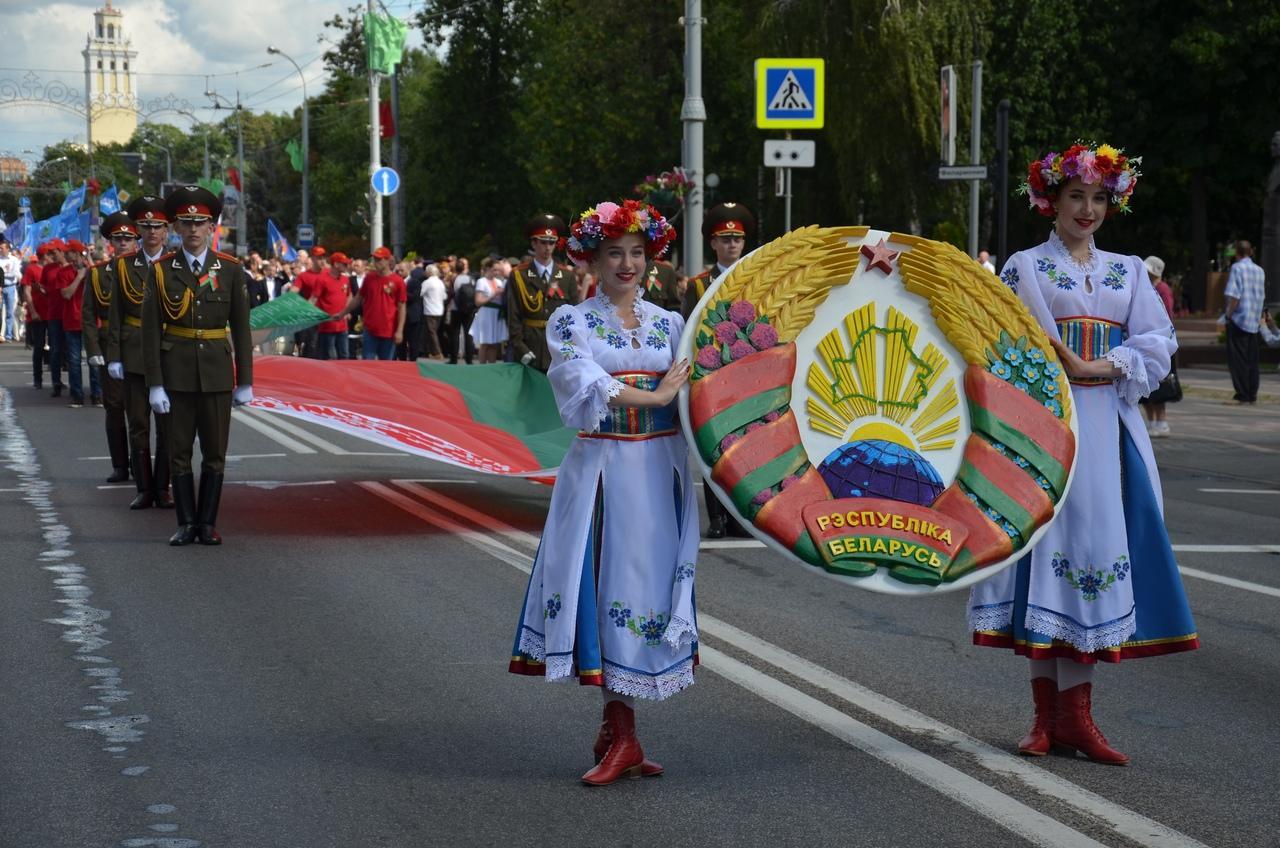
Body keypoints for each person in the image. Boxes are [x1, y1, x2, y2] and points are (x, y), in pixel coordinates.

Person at [969, 142, 1198, 765]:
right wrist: (1052, 372)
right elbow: (1003, 339)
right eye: (1077, 196)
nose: (1088, 209)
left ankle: (1077, 718)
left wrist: (1100, 364)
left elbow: (1156, 343)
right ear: (1052, 199)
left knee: (1092, 555)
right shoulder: (1026, 267)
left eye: (1099, 198)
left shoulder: (1128, 271)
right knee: (1044, 553)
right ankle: (1048, 719)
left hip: (1107, 432)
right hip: (1045, 430)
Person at [508, 199, 694, 786]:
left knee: (647, 593)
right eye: (615, 252)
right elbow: (586, 385)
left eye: (637, 253)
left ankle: (620, 731)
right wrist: (659, 396)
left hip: (659, 473)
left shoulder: (670, 323)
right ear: (591, 258)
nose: (627, 264)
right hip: (603, 474)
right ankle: (624, 731)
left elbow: (703, 391)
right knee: (610, 585)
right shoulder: (571, 321)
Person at [140, 186, 253, 546]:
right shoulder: (161, 271)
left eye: (200, 222)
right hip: (177, 374)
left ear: (211, 227)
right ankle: (186, 523)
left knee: (215, 454)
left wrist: (245, 380)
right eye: (185, 222)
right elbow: (148, 332)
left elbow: (241, 329)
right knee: (179, 452)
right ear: (175, 227)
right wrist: (155, 383)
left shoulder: (231, 270)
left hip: (218, 374)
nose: (192, 229)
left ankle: (208, 524)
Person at [683, 202, 756, 539]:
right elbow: (688, 333)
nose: (732, 245)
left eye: (737, 239)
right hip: (712, 379)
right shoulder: (699, 286)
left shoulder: (755, 281)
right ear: (712, 244)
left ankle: (742, 517)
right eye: (724, 239)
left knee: (745, 447)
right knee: (715, 447)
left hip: (748, 377)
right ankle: (716, 517)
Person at [108, 195, 175, 510]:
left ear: (166, 231)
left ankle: (163, 487)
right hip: (134, 352)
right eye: (146, 226)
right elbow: (115, 314)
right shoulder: (123, 265)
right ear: (138, 229)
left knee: (168, 427)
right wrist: (114, 356)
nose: (151, 232)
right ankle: (144, 488)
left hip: (168, 352)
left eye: (157, 227)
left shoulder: (175, 263)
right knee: (138, 424)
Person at [85, 212, 137, 483]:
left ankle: (139, 462)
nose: (124, 243)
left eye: (129, 238)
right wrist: (93, 350)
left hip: (140, 346)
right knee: (115, 406)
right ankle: (120, 464)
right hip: (108, 348)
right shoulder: (97, 274)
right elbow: (88, 314)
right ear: (111, 243)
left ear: (136, 241)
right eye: (119, 238)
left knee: (140, 409)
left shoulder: (149, 269)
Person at [506, 213, 576, 371]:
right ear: (533, 243)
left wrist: (571, 346)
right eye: (543, 242)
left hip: (558, 347)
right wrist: (519, 347)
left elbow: (574, 314)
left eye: (552, 243)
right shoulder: (519, 275)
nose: (548, 248)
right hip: (530, 344)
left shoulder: (566, 275)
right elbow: (513, 315)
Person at [334, 246, 405, 360]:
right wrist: (342, 313)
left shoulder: (398, 281)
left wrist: (400, 331)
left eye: (379, 260)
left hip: (389, 331)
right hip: (370, 330)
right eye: (375, 259)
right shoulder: (369, 278)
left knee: (385, 367)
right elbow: (358, 298)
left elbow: (402, 307)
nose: (376, 262)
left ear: (387, 260)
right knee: (368, 366)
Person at [1138, 256, 1179, 437]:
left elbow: (1166, 315)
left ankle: (1161, 422)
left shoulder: (1162, 289)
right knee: (1146, 385)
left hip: (1160, 342)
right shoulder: (1147, 288)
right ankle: (1152, 422)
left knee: (1160, 385)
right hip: (1147, 340)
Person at [1222, 240, 1266, 404]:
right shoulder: (1259, 270)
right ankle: (1252, 393)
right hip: (1254, 320)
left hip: (1239, 319)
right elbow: (1261, 295)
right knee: (1252, 360)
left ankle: (1241, 394)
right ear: (1251, 252)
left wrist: (1228, 314)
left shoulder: (1237, 268)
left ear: (1236, 253)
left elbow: (1234, 295)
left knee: (1238, 359)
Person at [21, 243, 52, 390]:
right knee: (39, 347)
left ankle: (56, 379)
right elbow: (27, 291)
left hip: (53, 313)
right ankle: (37, 378)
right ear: (44, 256)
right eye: (49, 254)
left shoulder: (52, 269)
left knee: (55, 347)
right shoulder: (32, 269)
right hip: (38, 314)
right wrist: (33, 311)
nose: (52, 257)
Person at [312, 252, 354, 360]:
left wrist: (347, 311)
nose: (347, 266)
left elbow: (349, 296)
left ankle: (344, 377)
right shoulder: (322, 279)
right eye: (344, 264)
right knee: (330, 356)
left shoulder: (345, 279)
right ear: (336, 264)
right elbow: (314, 298)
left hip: (342, 325)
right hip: (327, 326)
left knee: (344, 355)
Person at [469, 257, 509, 363]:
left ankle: (491, 366)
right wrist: (493, 295)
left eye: (498, 270)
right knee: (485, 342)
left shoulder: (499, 282)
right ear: (487, 268)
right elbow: (478, 301)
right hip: (486, 313)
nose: (496, 272)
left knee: (495, 343)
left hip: (497, 314)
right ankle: (482, 367)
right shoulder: (482, 281)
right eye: (494, 270)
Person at [446, 257, 476, 365]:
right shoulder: (470, 278)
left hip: (456, 308)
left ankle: (453, 358)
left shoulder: (455, 279)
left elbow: (451, 293)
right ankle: (469, 358)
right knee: (468, 334)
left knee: (455, 333)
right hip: (469, 309)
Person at [421, 262, 446, 360]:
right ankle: (432, 352)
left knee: (432, 332)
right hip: (439, 309)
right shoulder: (440, 282)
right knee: (433, 331)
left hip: (430, 309)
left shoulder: (427, 282)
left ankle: (438, 352)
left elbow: (421, 293)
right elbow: (444, 296)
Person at [0, 238, 21, 343]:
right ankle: (1, 334)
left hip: (10, 287)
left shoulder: (14, 260)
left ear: (7, 249)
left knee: (9, 312)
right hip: (0, 288)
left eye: (2, 248)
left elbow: (15, 273)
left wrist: (4, 274)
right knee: (0, 312)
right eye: (0, 248)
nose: (0, 250)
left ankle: (8, 335)